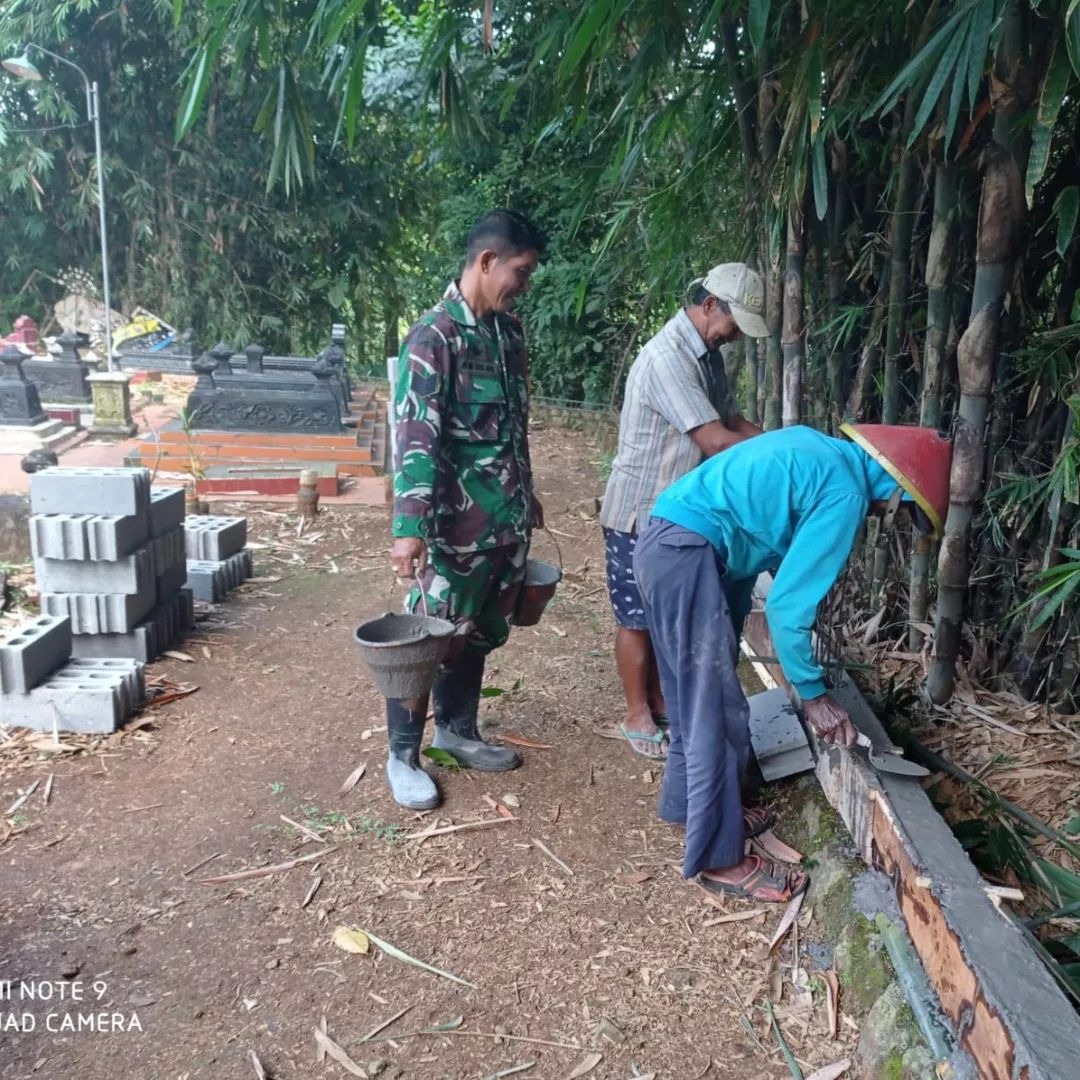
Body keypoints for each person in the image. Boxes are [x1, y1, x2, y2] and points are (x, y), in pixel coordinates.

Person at [633, 423, 952, 902]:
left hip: (671, 546)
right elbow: (785, 607)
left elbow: (748, 539)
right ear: (896, 490)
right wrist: (813, 694)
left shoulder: (819, 451)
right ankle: (721, 861)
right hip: (687, 555)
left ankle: (689, 807)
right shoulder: (845, 492)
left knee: (693, 701)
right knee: (717, 713)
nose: (889, 519)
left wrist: (727, 624)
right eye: (903, 512)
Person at [387, 209, 545, 810]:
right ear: (486, 261)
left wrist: (525, 490)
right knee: (427, 639)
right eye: (520, 271)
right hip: (452, 530)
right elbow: (417, 436)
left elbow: (512, 425)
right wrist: (409, 527)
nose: (523, 285)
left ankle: (456, 732)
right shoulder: (435, 337)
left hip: (501, 526)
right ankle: (402, 756)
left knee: (475, 633)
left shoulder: (507, 334)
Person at [599, 264, 766, 762]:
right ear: (710, 303)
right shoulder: (667, 358)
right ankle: (636, 712)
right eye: (734, 321)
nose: (736, 335)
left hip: (675, 514)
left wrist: (785, 443)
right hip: (639, 510)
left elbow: (732, 419)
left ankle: (658, 698)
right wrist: (773, 462)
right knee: (636, 619)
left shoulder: (707, 356)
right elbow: (715, 440)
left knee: (662, 615)